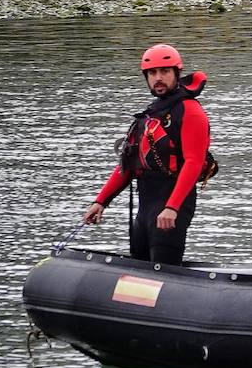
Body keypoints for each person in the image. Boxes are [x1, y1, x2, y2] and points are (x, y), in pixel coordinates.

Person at [82, 43, 213, 265]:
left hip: (172, 206)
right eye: (152, 73)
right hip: (145, 211)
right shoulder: (148, 116)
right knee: (139, 264)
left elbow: (193, 161)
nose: (158, 78)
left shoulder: (191, 112)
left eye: (165, 71)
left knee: (163, 269)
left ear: (176, 73)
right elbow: (128, 165)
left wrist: (172, 208)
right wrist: (101, 201)